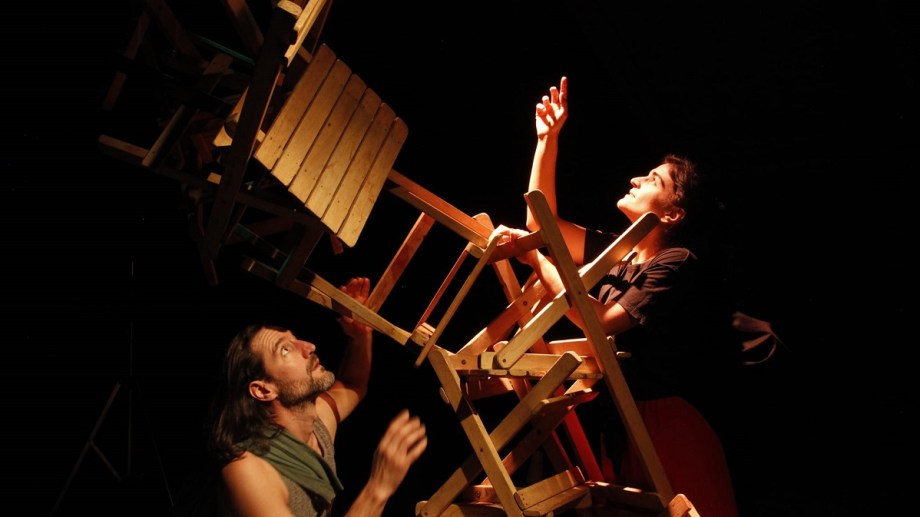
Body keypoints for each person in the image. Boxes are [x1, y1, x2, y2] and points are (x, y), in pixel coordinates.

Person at [493, 76, 740, 517]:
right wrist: (547, 140)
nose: (635, 179)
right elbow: (540, 224)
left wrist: (536, 262)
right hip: (624, 419)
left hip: (666, 423)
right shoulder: (617, 254)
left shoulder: (676, 260)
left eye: (653, 180)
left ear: (672, 213)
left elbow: (602, 320)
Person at [205, 277, 428, 517]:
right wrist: (378, 489)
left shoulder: (317, 425)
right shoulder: (247, 471)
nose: (309, 346)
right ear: (263, 390)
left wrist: (361, 335)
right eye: (285, 349)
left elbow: (351, 384)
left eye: (295, 340)